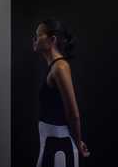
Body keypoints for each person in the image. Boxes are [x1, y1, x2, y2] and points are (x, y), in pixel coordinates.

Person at [33, 19, 90, 167]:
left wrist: (78, 141)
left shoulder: (60, 67)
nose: (34, 39)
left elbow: (73, 113)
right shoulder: (54, 67)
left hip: (60, 148)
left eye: (38, 35)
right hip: (50, 145)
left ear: (52, 40)